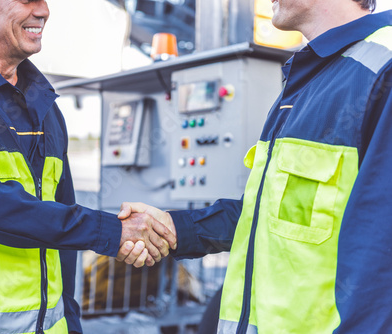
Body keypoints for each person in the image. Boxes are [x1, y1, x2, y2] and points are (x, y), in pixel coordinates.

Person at [0, 0, 176, 333]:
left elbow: (61, 219)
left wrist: (71, 319)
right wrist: (111, 231)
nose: (42, 11)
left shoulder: (43, 104)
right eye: (27, 0)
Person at [118, 0, 392, 333]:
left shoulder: (382, 70)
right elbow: (269, 215)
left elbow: (381, 255)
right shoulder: (307, 78)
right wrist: (177, 227)